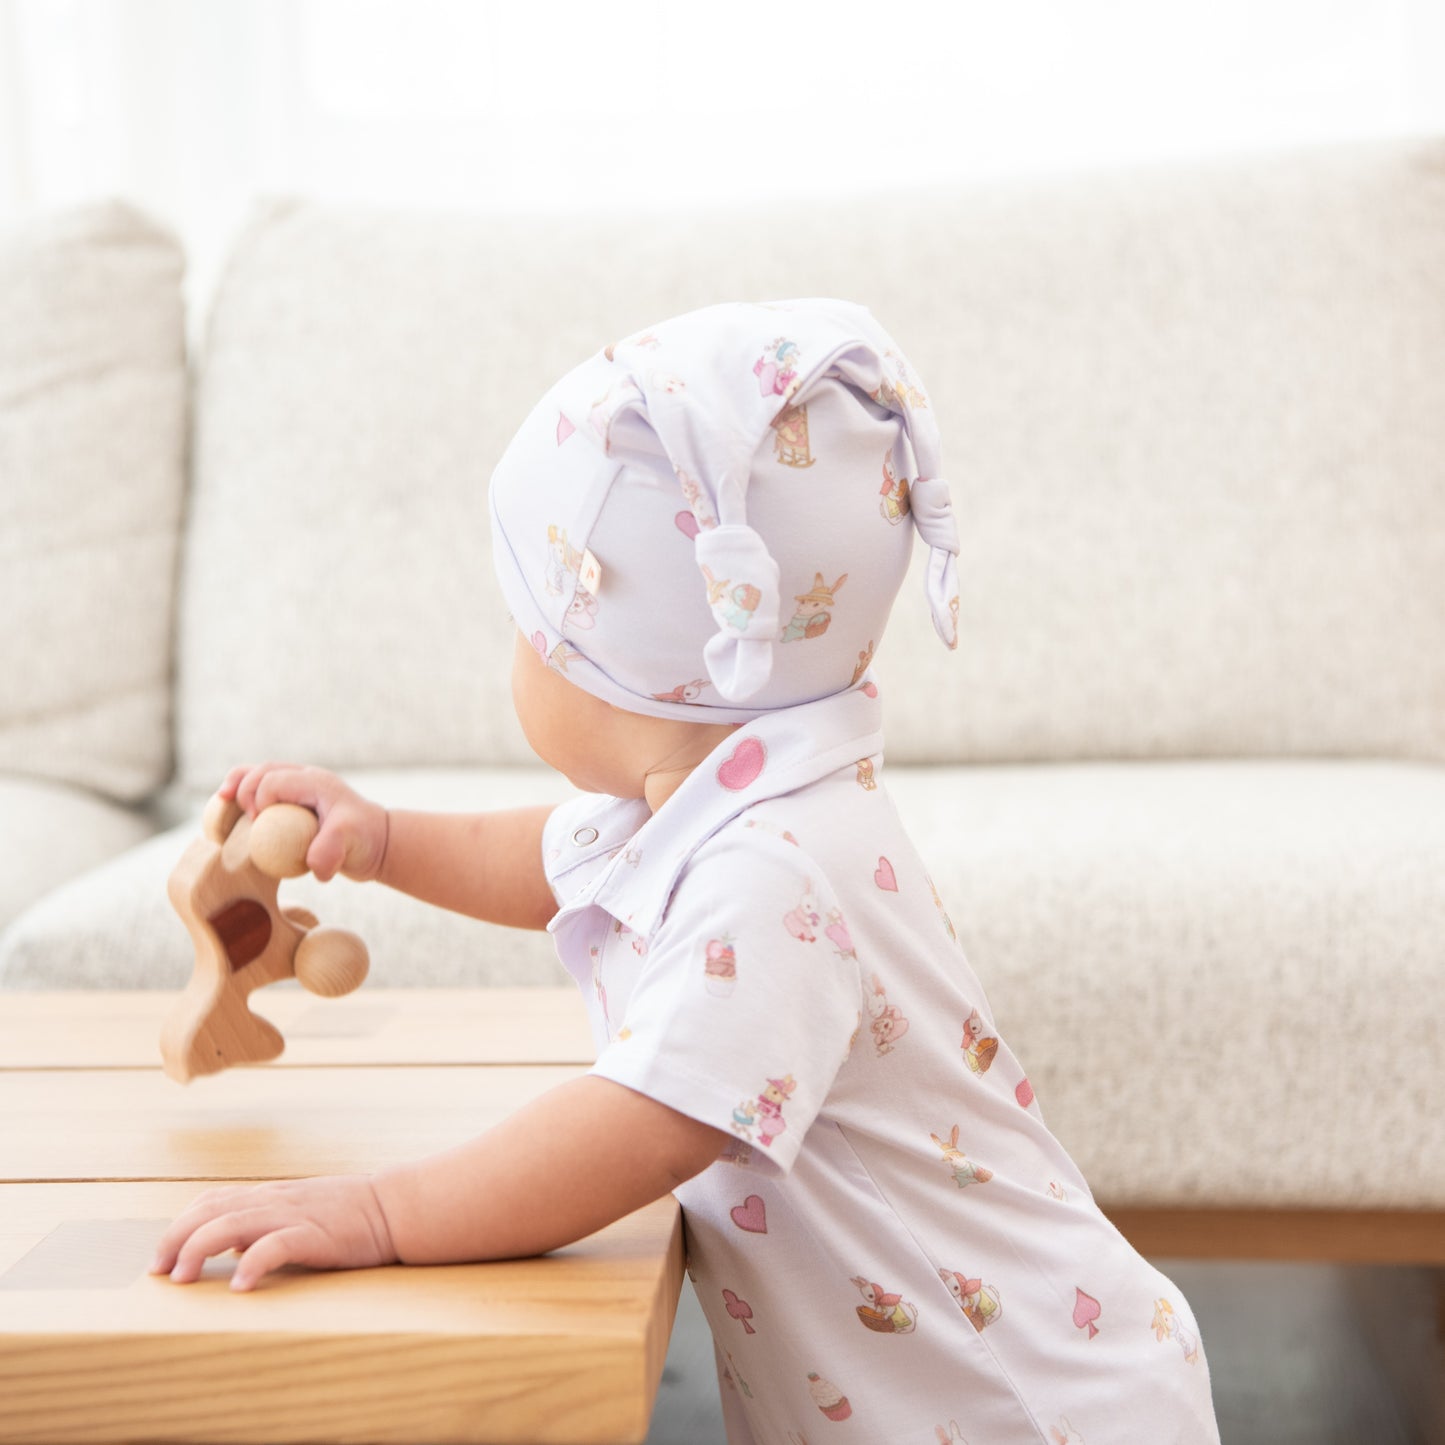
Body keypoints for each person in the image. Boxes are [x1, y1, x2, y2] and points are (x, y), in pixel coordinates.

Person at [152, 299, 1221, 1444]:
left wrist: (379, 1209)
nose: (511, 652)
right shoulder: (713, 799)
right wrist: (383, 837)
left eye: (528, 624)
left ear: (633, 672)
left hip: (1025, 1405)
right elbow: (548, 862)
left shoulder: (770, 877)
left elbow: (643, 1123)